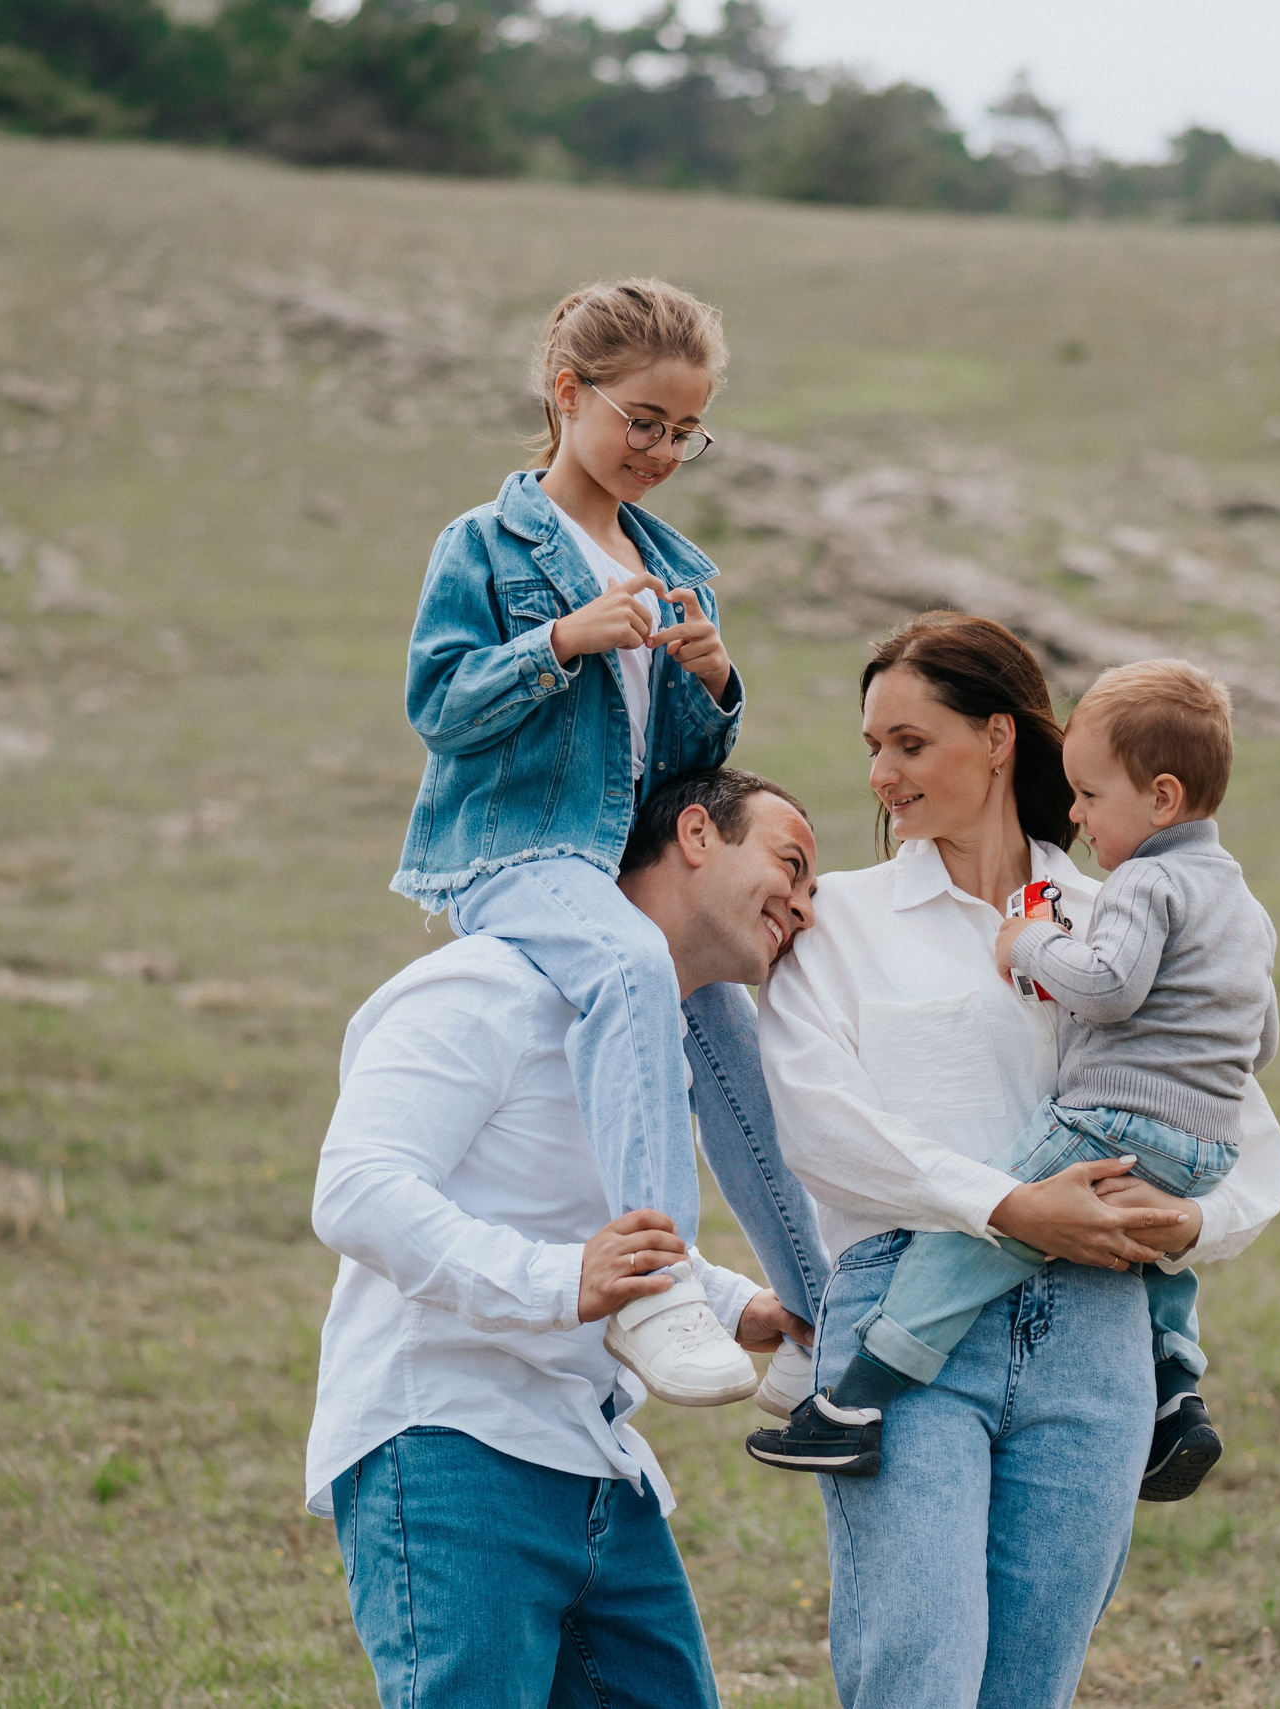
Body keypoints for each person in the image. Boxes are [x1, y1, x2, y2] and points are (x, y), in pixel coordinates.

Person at [745, 614, 1280, 1706]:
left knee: (1028, 1685)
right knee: (919, 1674)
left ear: (998, 737)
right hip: (909, 1319)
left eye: (909, 742)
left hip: (1096, 1335)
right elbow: (819, 1122)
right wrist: (1010, 1204)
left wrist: (1186, 1224)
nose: (880, 774)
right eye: (872, 747)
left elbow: (1242, 1130)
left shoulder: (1118, 911)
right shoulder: (838, 920)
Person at [309, 768, 822, 1708]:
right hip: (450, 1447)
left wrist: (737, 1305)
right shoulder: (485, 984)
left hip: (597, 1464)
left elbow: (599, 1232)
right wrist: (559, 1284)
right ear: (697, 833)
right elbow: (358, 1188)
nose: (804, 903)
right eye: (791, 863)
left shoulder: (651, 1037)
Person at [391, 276, 768, 1404]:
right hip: (516, 855)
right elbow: (438, 706)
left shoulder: (682, 566)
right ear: (568, 393)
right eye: (641, 421)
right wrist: (556, 640)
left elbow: (680, 769)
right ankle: (654, 1288)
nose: (660, 448)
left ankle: (818, 1315)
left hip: (622, 868)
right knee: (627, 961)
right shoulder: (486, 545)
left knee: (738, 1028)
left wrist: (715, 682)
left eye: (684, 431)